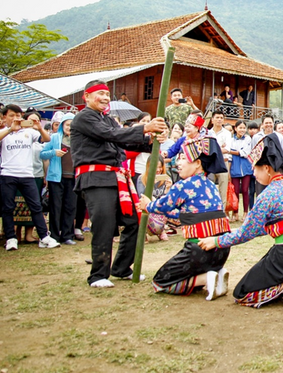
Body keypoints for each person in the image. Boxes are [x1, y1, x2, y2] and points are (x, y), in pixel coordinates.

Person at [199, 134, 283, 308]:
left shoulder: (267, 195)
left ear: (267, 169)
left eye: (255, 168)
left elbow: (248, 232)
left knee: (242, 292)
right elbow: (273, 226)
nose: (253, 173)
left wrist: (216, 241)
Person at [71, 81, 166, 287]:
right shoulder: (84, 117)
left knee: (134, 221)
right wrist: (145, 127)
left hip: (117, 178)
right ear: (86, 97)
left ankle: (122, 268)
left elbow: (124, 141)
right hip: (95, 179)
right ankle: (98, 275)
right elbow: (111, 135)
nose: (105, 98)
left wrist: (151, 140)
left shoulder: (107, 119)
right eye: (100, 94)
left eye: (107, 94)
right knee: (104, 225)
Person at [139, 136, 232, 299]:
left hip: (200, 250)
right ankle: (215, 272)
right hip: (222, 251)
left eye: (183, 159)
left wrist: (148, 205)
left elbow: (163, 205)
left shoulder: (184, 185)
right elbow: (184, 216)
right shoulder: (211, 185)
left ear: (197, 163)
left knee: (160, 282)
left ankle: (207, 278)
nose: (177, 163)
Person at [1, 105, 57, 251]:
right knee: (8, 207)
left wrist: (39, 128)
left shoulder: (29, 132)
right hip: (7, 174)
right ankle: (11, 238)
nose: (15, 118)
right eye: (12, 115)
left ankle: (44, 236)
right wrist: (10, 129)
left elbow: (46, 138)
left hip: (27, 174)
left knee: (36, 206)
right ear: (4, 117)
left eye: (18, 115)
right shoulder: (4, 132)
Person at [40, 112, 78, 245]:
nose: (69, 127)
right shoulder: (55, 138)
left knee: (70, 207)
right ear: (62, 125)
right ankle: (54, 235)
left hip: (73, 178)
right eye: (67, 125)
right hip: (56, 178)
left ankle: (67, 235)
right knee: (56, 207)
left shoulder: (78, 139)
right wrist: (53, 152)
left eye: (72, 125)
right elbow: (42, 154)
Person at [137, 157, 173, 241]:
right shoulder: (141, 178)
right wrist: (149, 186)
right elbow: (141, 196)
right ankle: (143, 232)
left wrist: (168, 189)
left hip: (159, 207)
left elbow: (168, 200)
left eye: (160, 167)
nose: (158, 170)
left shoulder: (165, 178)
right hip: (146, 206)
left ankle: (161, 230)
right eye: (155, 167)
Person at [228, 120, 253, 222]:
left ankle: (246, 212)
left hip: (246, 167)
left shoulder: (247, 139)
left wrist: (232, 151)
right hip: (234, 166)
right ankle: (235, 212)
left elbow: (245, 153)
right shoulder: (231, 140)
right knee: (236, 191)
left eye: (244, 128)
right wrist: (229, 170)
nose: (242, 130)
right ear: (235, 128)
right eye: (240, 128)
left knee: (245, 190)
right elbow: (229, 156)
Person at [208, 110, 232, 214]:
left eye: (221, 118)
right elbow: (206, 149)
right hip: (210, 162)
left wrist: (213, 149)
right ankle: (210, 212)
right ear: (212, 120)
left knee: (223, 189)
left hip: (223, 162)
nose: (219, 119)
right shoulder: (208, 133)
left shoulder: (227, 133)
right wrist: (219, 148)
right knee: (209, 187)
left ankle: (221, 214)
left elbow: (227, 149)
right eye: (217, 117)